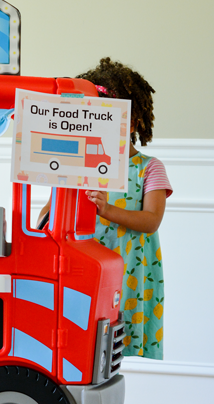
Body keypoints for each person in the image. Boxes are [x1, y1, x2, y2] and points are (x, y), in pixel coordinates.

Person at [39, 57, 173, 359]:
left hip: (129, 267)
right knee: (81, 335)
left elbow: (151, 220)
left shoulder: (148, 168)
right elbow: (46, 214)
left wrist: (106, 209)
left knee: (113, 337)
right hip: (83, 263)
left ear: (134, 121)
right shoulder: (78, 164)